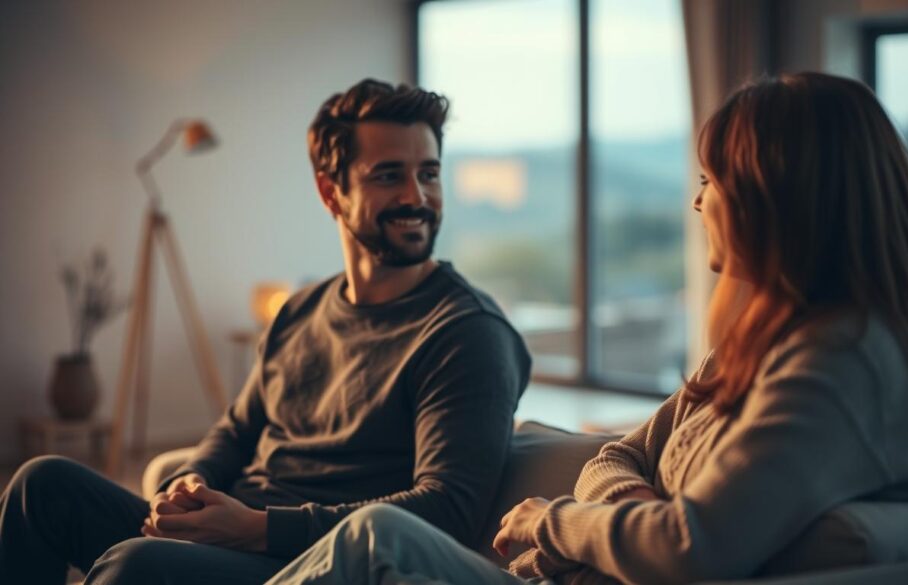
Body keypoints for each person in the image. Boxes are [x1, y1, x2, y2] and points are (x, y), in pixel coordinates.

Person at [262, 72, 908, 585]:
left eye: (712, 181)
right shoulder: (760, 350)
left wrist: (554, 520)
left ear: (778, 200)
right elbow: (613, 455)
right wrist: (631, 507)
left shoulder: (837, 370)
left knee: (377, 536)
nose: (698, 203)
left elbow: (690, 544)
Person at [0, 79, 531, 585]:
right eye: (389, 175)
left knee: (136, 568)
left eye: (429, 174)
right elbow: (236, 429)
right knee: (39, 485)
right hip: (231, 533)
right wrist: (188, 485)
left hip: (308, 565)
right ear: (331, 193)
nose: (417, 196)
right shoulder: (300, 310)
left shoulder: (466, 334)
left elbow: (447, 508)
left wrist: (257, 529)